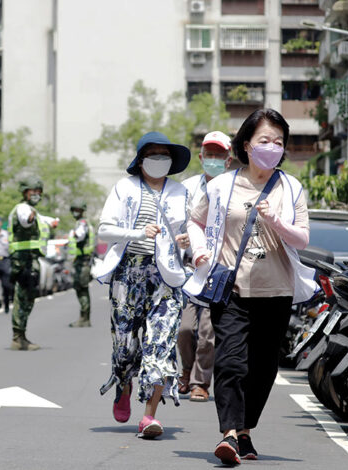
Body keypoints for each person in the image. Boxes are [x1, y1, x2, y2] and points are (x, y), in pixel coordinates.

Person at [184, 109, 316, 465]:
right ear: (246, 145)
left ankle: (244, 430)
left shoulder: (291, 188)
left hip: (276, 292)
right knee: (231, 363)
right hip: (232, 289)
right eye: (264, 140)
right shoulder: (221, 185)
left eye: (278, 141)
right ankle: (228, 433)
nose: (272, 147)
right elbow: (195, 222)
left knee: (263, 368)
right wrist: (198, 253)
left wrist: (276, 221)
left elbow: (302, 239)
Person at [96, 131, 192, 439]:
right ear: (140, 160)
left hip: (166, 278)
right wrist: (137, 233)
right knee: (125, 346)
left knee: (160, 345)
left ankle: (149, 416)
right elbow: (105, 231)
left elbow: (190, 231)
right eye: (153, 154)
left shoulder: (180, 192)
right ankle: (123, 385)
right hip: (129, 274)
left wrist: (186, 240)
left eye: (165, 155)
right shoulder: (124, 188)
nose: (159, 159)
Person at [177, 131, 233, 403]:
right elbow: (175, 225)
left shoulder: (235, 188)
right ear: (200, 157)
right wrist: (182, 239)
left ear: (229, 159)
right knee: (185, 329)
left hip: (218, 269)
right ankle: (185, 371)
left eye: (218, 155)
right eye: (209, 154)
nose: (213, 159)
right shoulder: (186, 188)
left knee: (208, 332)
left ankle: (201, 382)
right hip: (189, 268)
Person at [8, 176, 58, 351]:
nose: (36, 195)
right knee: (22, 299)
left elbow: (42, 219)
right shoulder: (23, 209)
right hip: (22, 262)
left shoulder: (32, 210)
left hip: (29, 261)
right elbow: (25, 219)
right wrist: (29, 219)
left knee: (27, 299)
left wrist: (51, 221)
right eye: (33, 192)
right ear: (25, 193)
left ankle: (21, 336)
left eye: (38, 192)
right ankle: (18, 338)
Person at [67, 198, 95, 327]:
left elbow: (80, 236)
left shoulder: (82, 223)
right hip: (82, 260)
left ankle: (84, 318)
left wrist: (73, 234)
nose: (76, 212)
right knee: (81, 289)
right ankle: (84, 318)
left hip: (83, 262)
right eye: (74, 210)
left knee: (81, 288)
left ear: (82, 211)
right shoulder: (82, 222)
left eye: (78, 210)